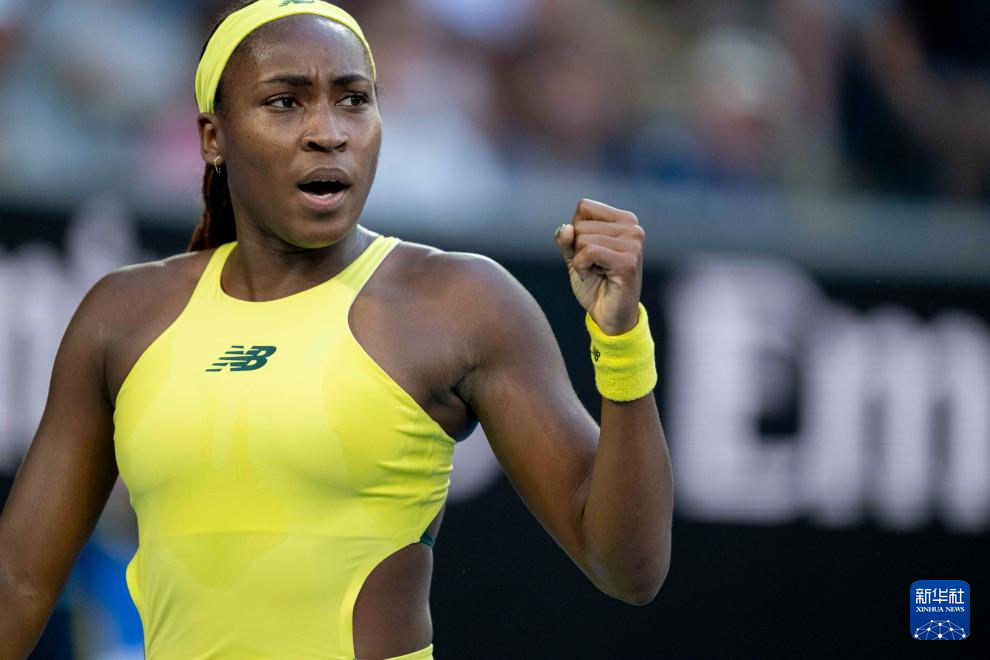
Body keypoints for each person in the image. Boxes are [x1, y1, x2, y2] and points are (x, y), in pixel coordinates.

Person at [0, 1, 672, 658]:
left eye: (353, 99)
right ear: (213, 138)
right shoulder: (120, 316)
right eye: (284, 101)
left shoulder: (461, 303)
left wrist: (622, 345)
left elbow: (628, 569)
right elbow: (20, 584)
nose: (328, 131)